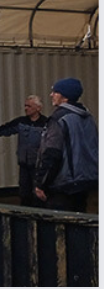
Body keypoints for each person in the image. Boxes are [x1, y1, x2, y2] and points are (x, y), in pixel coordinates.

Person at [34, 78, 98, 213]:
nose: (51, 95)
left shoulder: (59, 119)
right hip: (84, 182)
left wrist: (41, 184)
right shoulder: (88, 118)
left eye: (55, 92)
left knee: (60, 227)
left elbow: (52, 153)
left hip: (62, 185)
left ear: (64, 97)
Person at [0, 95, 48, 207]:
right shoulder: (21, 122)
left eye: (29, 106)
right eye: (25, 106)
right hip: (24, 165)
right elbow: (2, 130)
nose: (26, 108)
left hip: (39, 166)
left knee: (38, 194)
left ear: (38, 108)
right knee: (24, 194)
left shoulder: (46, 124)